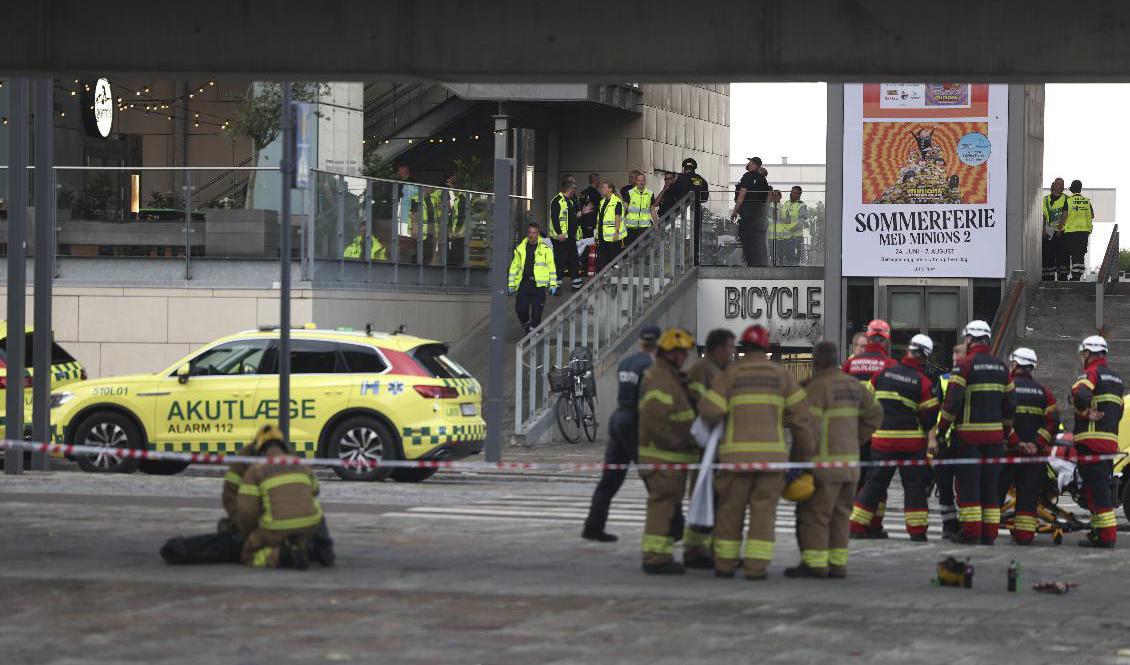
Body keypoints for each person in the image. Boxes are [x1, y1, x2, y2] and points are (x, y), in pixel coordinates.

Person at [699, 325, 816, 580]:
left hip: (734, 460)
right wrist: (801, 459)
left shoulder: (730, 375)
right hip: (772, 461)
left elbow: (709, 413)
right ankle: (756, 568)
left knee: (730, 512)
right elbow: (802, 422)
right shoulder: (782, 375)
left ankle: (725, 565)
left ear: (743, 347)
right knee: (763, 514)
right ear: (766, 348)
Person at [786, 341, 882, 578]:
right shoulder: (853, 385)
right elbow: (876, 414)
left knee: (816, 515)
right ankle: (838, 565)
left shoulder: (816, 388)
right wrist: (856, 439)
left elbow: (805, 431)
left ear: (817, 360)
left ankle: (815, 564)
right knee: (841, 516)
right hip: (850, 465)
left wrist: (798, 463)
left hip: (824, 466)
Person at [850, 334, 939, 541]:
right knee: (914, 487)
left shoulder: (882, 374)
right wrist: (931, 439)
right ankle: (917, 532)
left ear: (908, 351)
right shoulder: (922, 383)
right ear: (925, 358)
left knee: (874, 485)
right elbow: (928, 417)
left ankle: (856, 526)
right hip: (911, 445)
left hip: (882, 442)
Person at [936, 320, 1016, 545]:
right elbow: (1011, 404)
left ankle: (971, 533)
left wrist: (942, 431)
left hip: (968, 440)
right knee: (990, 488)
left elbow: (953, 402)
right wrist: (1005, 431)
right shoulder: (1002, 367)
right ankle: (989, 534)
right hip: (994, 441)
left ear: (969, 339)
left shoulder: (964, 365)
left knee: (969, 487)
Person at [583, 325, 660, 542]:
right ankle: (670, 524)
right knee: (652, 475)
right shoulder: (652, 366)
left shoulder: (626, 362)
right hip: (635, 421)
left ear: (641, 342)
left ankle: (593, 526)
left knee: (610, 478)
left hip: (618, 418)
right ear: (657, 344)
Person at [637, 328, 698, 575]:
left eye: (685, 353)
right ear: (669, 353)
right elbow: (654, 420)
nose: (685, 357)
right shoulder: (661, 379)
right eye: (681, 353)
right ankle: (655, 557)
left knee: (667, 508)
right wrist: (675, 442)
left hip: (671, 459)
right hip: (663, 458)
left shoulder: (670, 376)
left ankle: (660, 553)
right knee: (661, 508)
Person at [234, 425, 331, 569]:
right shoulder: (299, 464)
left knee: (249, 554)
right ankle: (317, 550)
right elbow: (315, 491)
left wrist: (251, 533)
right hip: (310, 525)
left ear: (260, 451)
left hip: (276, 527)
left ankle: (283, 556)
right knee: (313, 508)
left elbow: (247, 511)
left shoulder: (256, 470)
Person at [681, 328, 736, 567]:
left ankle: (702, 547)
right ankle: (695, 549)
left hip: (714, 445)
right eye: (730, 347)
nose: (733, 352)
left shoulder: (720, 371)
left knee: (710, 497)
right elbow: (700, 406)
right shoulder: (702, 371)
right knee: (704, 496)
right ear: (717, 349)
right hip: (705, 444)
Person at [840, 319, 897, 537]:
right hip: (878, 433)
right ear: (885, 340)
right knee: (876, 482)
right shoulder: (890, 365)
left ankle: (852, 521)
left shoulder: (850, 365)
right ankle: (873, 524)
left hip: (852, 432)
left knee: (855, 478)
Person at [999, 347, 1058, 545]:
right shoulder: (1044, 392)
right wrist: (1035, 444)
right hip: (1034, 457)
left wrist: (1017, 442)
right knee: (1028, 498)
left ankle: (986, 532)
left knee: (995, 495)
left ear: (1014, 364)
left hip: (1008, 453)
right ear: (1032, 367)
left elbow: (1001, 419)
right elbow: (1052, 422)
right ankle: (1024, 536)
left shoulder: (1006, 388)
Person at [1072, 335, 1123, 548]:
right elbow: (1118, 410)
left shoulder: (1091, 373)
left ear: (1087, 353)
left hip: (1090, 442)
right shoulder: (1117, 380)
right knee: (1097, 488)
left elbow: (1080, 393)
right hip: (1109, 442)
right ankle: (1098, 533)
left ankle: (1106, 536)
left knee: (1097, 491)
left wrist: (1084, 411)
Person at [930, 342, 967, 537]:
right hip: (951, 439)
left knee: (954, 487)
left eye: (958, 360)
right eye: (954, 361)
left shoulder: (950, 380)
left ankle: (954, 525)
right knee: (947, 487)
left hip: (954, 439)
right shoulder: (945, 380)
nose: (956, 364)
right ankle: (951, 525)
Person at [508, 222, 558, 334]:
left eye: (534, 233)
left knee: (536, 314)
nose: (531, 235)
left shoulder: (546, 249)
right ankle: (527, 326)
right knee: (521, 309)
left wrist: (553, 284)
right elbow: (514, 267)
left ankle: (534, 335)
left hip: (538, 286)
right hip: (524, 283)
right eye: (530, 232)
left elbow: (551, 268)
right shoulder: (520, 248)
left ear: (538, 234)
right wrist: (511, 284)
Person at [549, 177, 591, 291]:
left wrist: (582, 213)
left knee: (574, 261)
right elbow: (554, 219)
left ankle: (576, 284)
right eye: (574, 188)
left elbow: (571, 218)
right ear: (570, 189)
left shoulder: (570, 201)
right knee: (560, 263)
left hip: (570, 237)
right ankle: (555, 286)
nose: (575, 190)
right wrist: (559, 233)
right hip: (561, 238)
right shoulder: (557, 201)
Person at [664, 158, 710, 261]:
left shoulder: (679, 179)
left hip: (681, 212)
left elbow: (670, 195)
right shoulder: (702, 180)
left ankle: (679, 260)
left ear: (684, 168)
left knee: (679, 237)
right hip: (696, 211)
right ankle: (695, 259)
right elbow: (704, 198)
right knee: (695, 236)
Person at [731, 157, 771, 267]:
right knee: (759, 241)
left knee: (747, 240)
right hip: (760, 216)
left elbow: (742, 193)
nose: (748, 164)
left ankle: (751, 264)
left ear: (754, 164)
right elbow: (768, 196)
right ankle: (761, 264)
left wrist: (735, 211)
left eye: (750, 162)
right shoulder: (763, 179)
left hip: (748, 215)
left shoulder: (747, 176)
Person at [1063, 180, 1094, 281]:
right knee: (1081, 253)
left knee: (1074, 253)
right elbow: (1092, 215)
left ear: (1072, 189)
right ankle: (1078, 274)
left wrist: (1059, 228)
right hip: (1084, 232)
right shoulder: (1087, 201)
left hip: (1072, 231)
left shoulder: (1069, 200)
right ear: (1080, 189)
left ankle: (1076, 275)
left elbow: (1064, 215)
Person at [1042, 178, 1069, 281]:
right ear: (1054, 185)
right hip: (1050, 231)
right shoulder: (1045, 199)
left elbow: (1066, 215)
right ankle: (1049, 276)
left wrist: (1060, 228)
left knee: (1063, 255)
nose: (1061, 187)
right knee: (1049, 254)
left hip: (1063, 231)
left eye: (1062, 185)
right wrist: (1043, 229)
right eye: (1059, 184)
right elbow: (1043, 215)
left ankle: (1063, 276)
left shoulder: (1067, 199)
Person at [774, 186, 807, 266]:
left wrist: (789, 231)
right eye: (791, 192)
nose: (792, 194)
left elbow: (800, 223)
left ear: (799, 195)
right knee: (783, 260)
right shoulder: (786, 203)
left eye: (795, 193)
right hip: (784, 237)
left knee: (793, 260)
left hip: (795, 237)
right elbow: (780, 218)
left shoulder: (802, 205)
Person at [596, 181, 625, 270]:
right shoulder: (602, 202)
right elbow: (600, 219)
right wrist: (597, 234)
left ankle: (613, 277)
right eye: (602, 187)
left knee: (612, 259)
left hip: (612, 235)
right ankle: (604, 277)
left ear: (610, 189)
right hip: (602, 234)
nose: (602, 189)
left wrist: (617, 231)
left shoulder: (616, 202)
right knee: (603, 259)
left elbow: (617, 217)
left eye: (604, 187)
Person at [624, 171, 655, 247]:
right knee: (630, 248)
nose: (641, 182)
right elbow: (623, 209)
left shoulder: (650, 193)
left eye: (643, 180)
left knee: (643, 248)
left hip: (644, 226)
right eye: (639, 180)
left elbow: (652, 209)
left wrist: (656, 223)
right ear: (636, 181)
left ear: (645, 181)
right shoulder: (629, 193)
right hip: (631, 226)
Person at [579, 173, 602, 239]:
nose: (599, 182)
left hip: (583, 224)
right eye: (598, 179)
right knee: (592, 244)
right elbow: (601, 206)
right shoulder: (595, 193)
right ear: (595, 180)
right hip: (592, 224)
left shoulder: (583, 192)